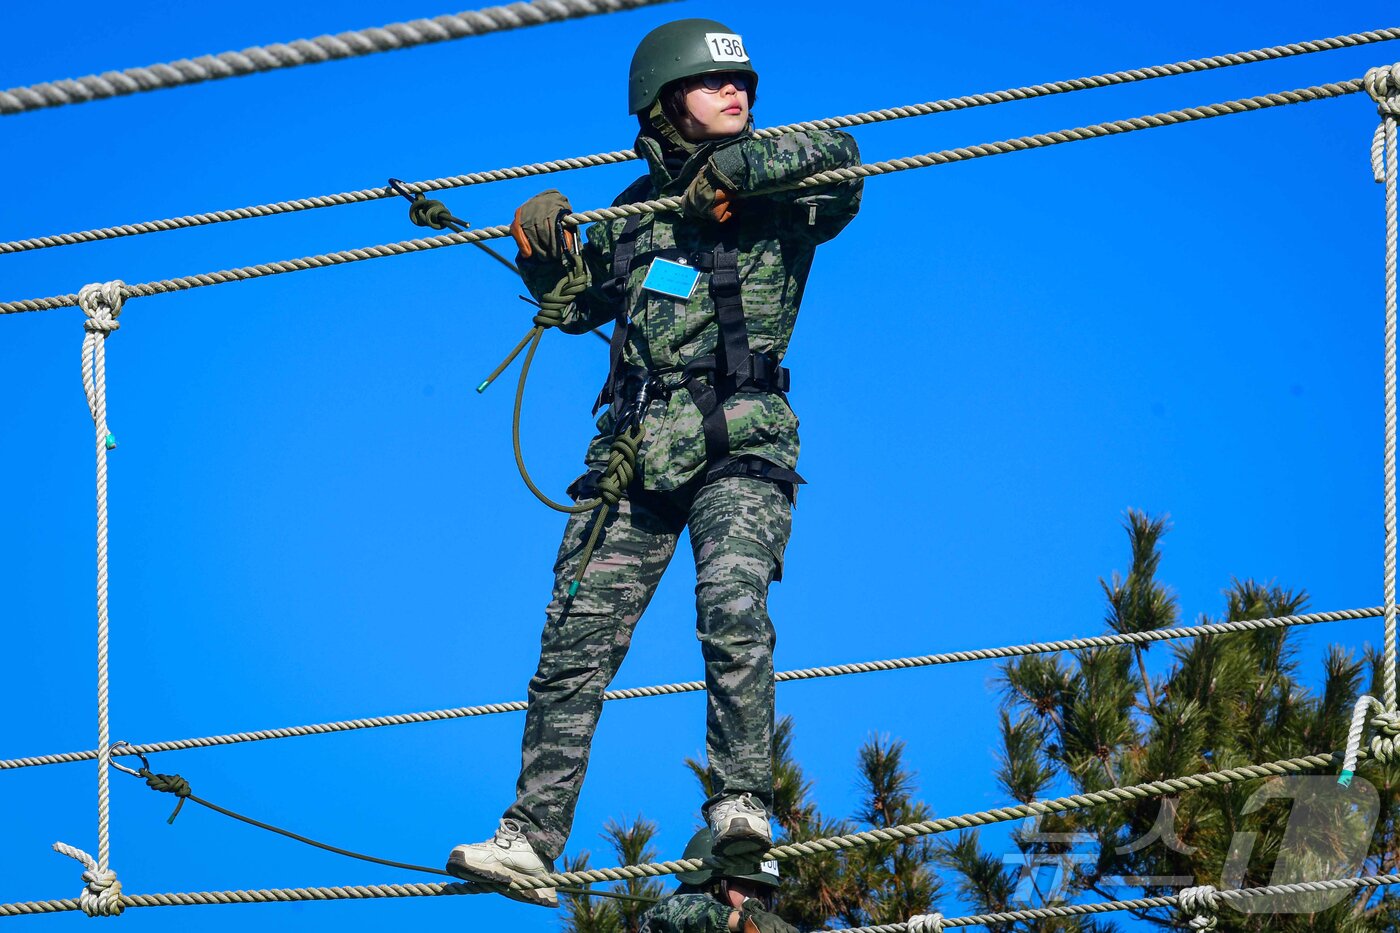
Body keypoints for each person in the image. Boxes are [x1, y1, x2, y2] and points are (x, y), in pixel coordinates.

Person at [441, 18, 863, 907]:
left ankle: (742, 807)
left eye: (744, 82)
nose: (737, 94)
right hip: (634, 453)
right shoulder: (636, 217)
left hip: (738, 438)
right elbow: (575, 301)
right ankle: (531, 837)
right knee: (573, 639)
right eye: (715, 86)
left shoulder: (780, 188)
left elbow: (846, 159)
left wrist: (732, 172)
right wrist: (547, 248)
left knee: (732, 608)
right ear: (666, 104)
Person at [638, 829, 797, 933]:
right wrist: (743, 921)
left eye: (762, 892)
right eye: (746, 886)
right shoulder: (670, 912)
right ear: (712, 885)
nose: (754, 897)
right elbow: (692, 913)